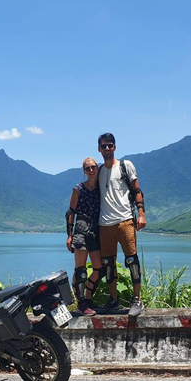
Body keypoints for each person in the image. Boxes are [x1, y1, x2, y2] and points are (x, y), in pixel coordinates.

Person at [96, 133, 146, 317]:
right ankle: (113, 300)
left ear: (115, 147)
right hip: (105, 224)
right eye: (104, 146)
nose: (107, 149)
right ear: (99, 149)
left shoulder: (126, 166)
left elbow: (137, 190)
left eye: (110, 145)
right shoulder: (99, 171)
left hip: (125, 220)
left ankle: (137, 299)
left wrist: (141, 213)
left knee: (131, 260)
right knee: (108, 264)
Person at [66, 157, 103, 316]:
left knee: (99, 269)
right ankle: (81, 302)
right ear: (84, 171)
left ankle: (87, 297)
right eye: (87, 168)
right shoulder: (78, 189)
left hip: (96, 230)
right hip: (81, 230)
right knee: (81, 270)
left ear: (97, 168)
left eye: (93, 167)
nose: (91, 170)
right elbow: (70, 213)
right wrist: (70, 235)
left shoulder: (102, 188)